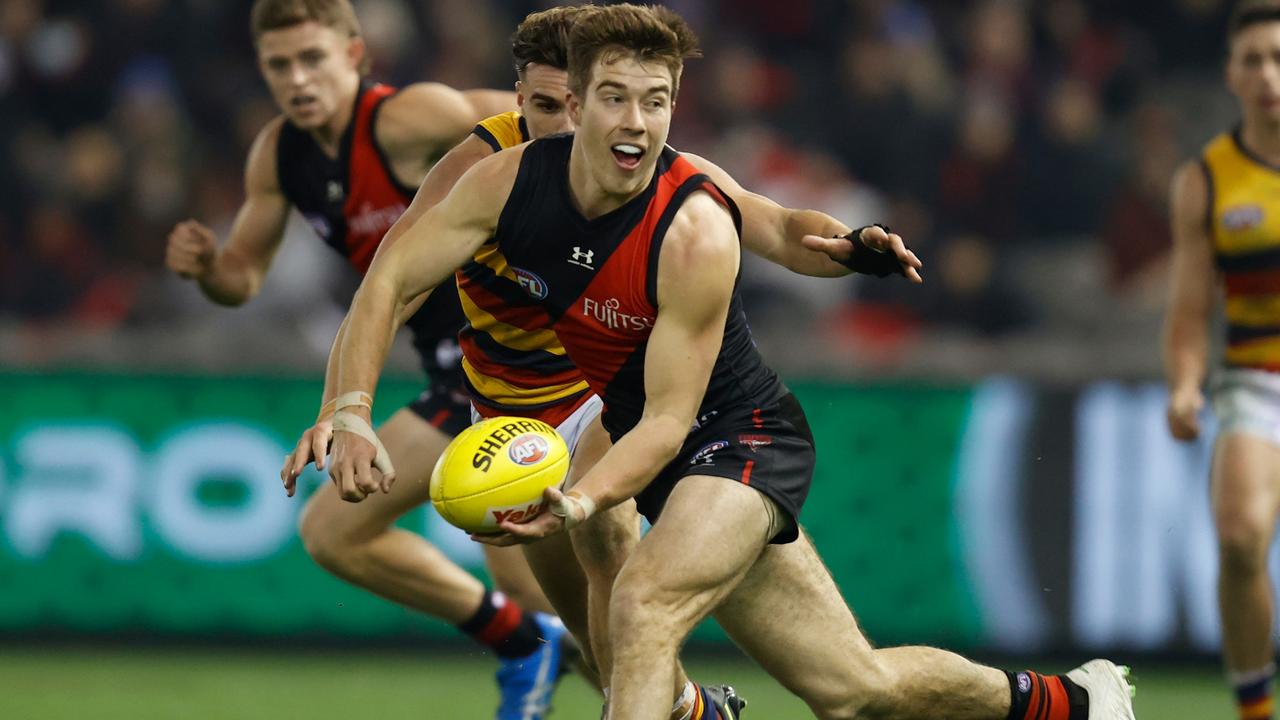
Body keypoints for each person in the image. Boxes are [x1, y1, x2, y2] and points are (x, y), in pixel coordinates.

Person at [307, 4, 1140, 719]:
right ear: (576, 103)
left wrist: (582, 495)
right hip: (630, 426)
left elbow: (688, 390)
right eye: (613, 100)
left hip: (734, 438)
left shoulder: (692, 223)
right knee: (854, 689)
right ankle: (1078, 702)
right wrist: (346, 412)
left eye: (657, 103)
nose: (634, 122)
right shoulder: (503, 180)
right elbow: (387, 282)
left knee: (637, 604)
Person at [162, 2, 573, 718]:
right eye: (279, 65)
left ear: (354, 55)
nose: (297, 78)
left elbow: (532, 123)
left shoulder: (410, 119)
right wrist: (207, 271)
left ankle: (654, 694)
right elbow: (244, 280)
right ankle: (538, 647)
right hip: (454, 378)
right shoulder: (280, 156)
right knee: (334, 534)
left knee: (537, 582)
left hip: (513, 365)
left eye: (312, 59)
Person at [1165, 3, 1280, 719]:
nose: (1269, 74)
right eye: (1253, 60)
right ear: (1230, 75)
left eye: (1278, 55)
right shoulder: (1206, 179)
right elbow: (1188, 310)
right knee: (1239, 538)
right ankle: (1254, 710)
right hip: (1254, 381)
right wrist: (1184, 384)